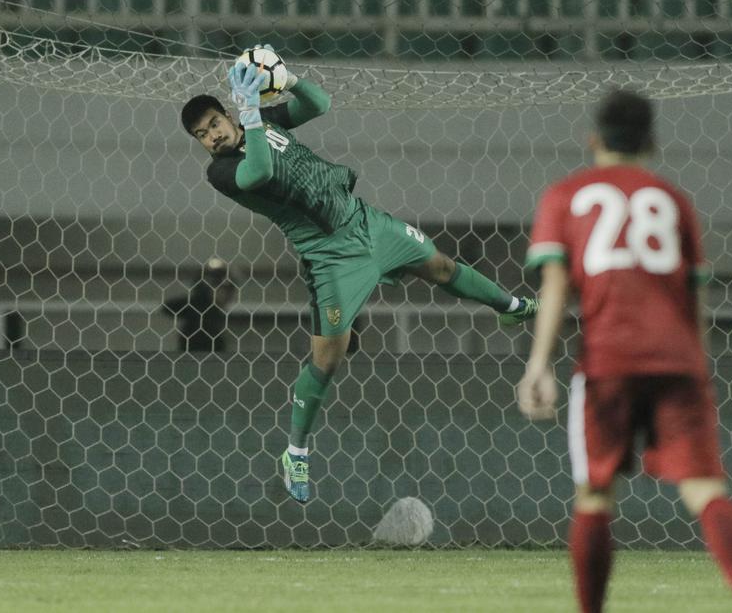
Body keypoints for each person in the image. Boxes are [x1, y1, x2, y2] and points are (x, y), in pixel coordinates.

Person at [180, 45, 538, 503]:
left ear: (225, 115)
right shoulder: (223, 171)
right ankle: (296, 451)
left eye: (213, 124)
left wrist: (285, 82)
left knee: (440, 265)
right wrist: (250, 112)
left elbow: (319, 105)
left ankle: (511, 307)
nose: (210, 136)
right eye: (200, 135)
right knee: (330, 356)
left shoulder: (266, 124)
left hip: (366, 223)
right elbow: (260, 172)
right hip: (330, 256)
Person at [517, 89, 732, 613]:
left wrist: (539, 365)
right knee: (705, 491)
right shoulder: (672, 201)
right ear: (652, 141)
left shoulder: (566, 195)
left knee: (596, 495)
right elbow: (694, 296)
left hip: (608, 362)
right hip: (679, 363)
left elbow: (557, 287)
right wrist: (699, 368)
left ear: (593, 139)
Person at [162, 257, 239, 352]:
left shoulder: (214, 313)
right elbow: (168, 307)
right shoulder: (198, 309)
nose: (227, 295)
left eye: (228, 291)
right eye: (222, 289)